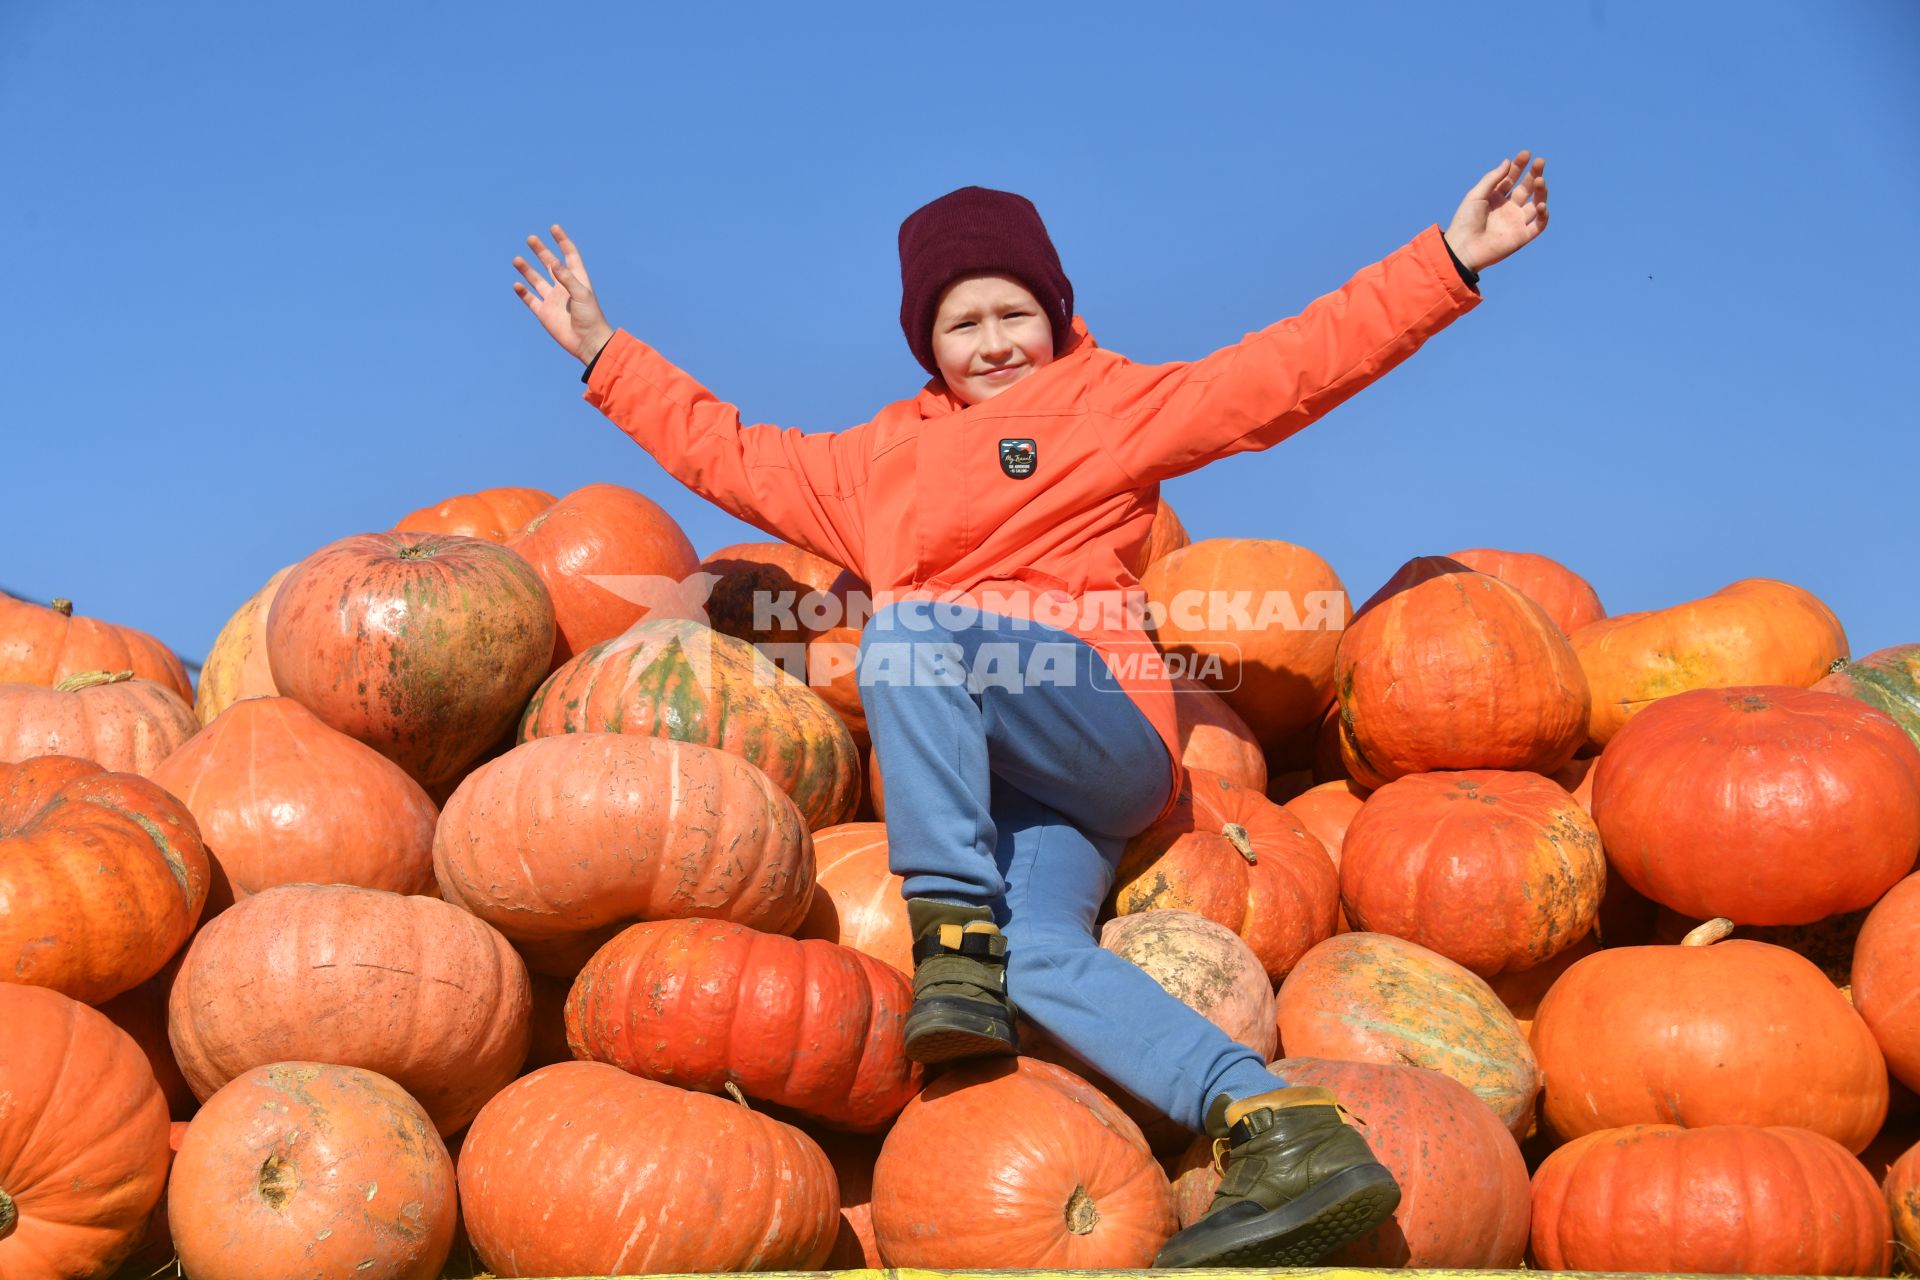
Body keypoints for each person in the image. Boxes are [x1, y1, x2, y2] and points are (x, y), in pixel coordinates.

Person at [511, 153, 1548, 1268]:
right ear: (928, 343)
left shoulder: (1109, 405)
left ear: (1056, 315)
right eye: (964, 322)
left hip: (1095, 726)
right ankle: (1278, 1131)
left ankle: (948, 929)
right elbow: (729, 450)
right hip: (998, 783)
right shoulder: (872, 463)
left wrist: (1443, 261)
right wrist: (608, 355)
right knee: (1036, 957)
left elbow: (1286, 369)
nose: (995, 340)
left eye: (1016, 311)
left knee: (907, 638)